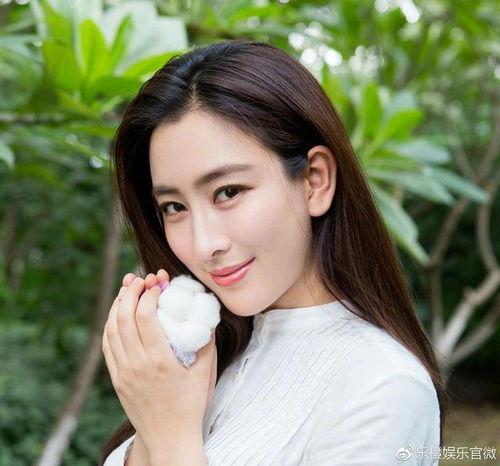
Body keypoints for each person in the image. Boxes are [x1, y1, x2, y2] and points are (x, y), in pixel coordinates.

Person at [99, 39, 448, 466]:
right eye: (174, 207)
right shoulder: (205, 356)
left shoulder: (383, 388)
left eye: (228, 192)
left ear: (315, 181)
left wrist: (170, 436)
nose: (204, 244)